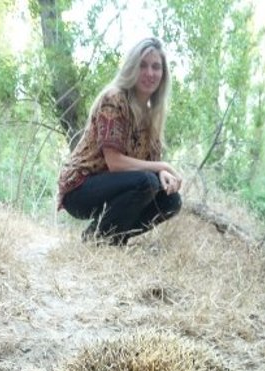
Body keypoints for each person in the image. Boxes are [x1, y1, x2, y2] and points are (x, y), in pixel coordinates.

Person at [57, 37, 182, 245]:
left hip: (116, 188)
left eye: (156, 67)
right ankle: (98, 237)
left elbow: (148, 168)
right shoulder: (114, 99)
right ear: (132, 67)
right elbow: (114, 162)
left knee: (171, 201)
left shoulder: (153, 115)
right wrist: (163, 166)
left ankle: (110, 236)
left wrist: (163, 173)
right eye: (142, 65)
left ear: (163, 74)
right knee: (146, 182)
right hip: (80, 189)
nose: (150, 73)